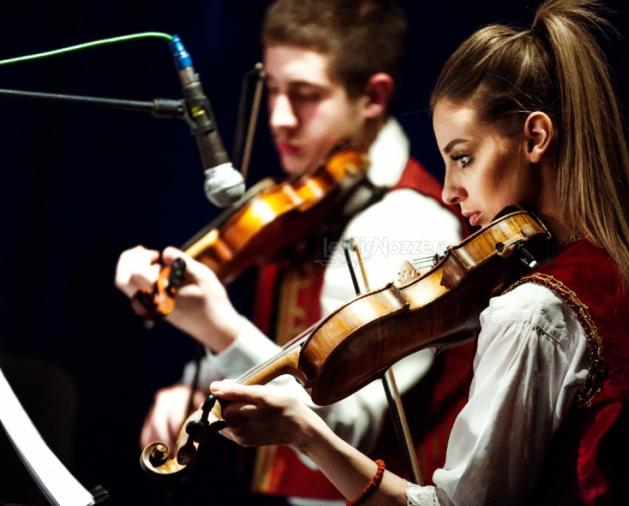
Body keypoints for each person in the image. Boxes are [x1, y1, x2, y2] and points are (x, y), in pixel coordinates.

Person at [207, 0, 629, 504]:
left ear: (535, 137)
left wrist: (305, 432)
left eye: (463, 158)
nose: (448, 191)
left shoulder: (532, 314)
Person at [115, 0, 470, 503]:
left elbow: (347, 431)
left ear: (372, 95)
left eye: (305, 95)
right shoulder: (308, 201)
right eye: (272, 90)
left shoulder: (408, 226)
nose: (278, 118)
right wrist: (205, 390)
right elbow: (283, 346)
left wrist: (221, 331)